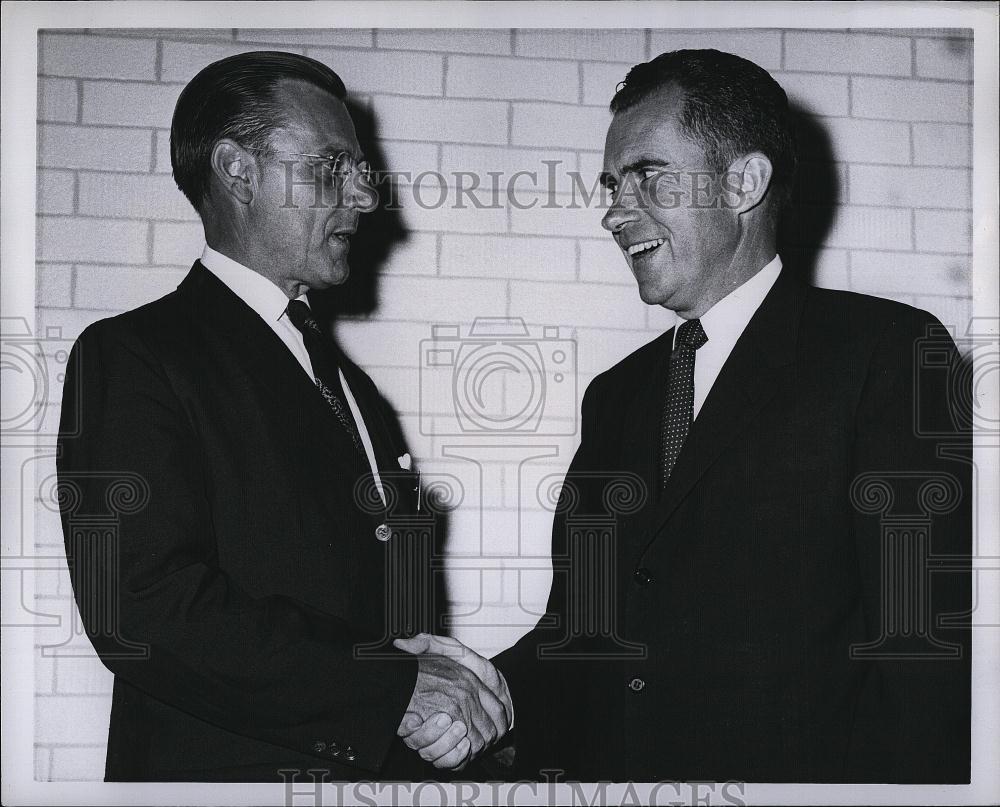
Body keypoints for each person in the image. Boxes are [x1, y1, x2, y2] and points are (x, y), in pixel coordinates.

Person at [398, 49, 972, 783]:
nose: (613, 210)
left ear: (743, 182)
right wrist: (492, 691)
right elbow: (585, 631)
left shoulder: (883, 353)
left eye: (647, 176)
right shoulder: (616, 395)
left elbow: (923, 658)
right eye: (611, 184)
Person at [56, 50, 510, 782]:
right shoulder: (134, 355)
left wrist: (443, 696)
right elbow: (143, 609)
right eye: (333, 166)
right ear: (237, 170)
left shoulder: (353, 389)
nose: (364, 197)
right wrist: (394, 689)